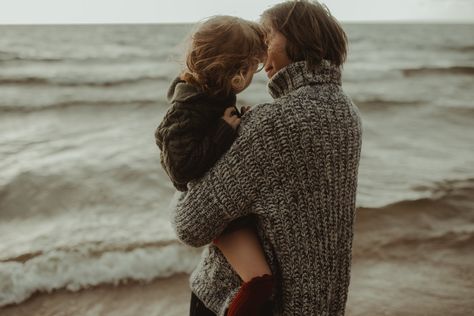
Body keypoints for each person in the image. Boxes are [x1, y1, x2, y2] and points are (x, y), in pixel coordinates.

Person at [171, 1, 363, 315]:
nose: (260, 53)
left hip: (236, 303)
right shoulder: (347, 113)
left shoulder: (273, 123)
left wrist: (183, 190)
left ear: (297, 38)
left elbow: (190, 224)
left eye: (267, 38)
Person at [154, 16, 275, 316]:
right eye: (252, 67)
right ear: (235, 68)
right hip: (217, 213)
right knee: (260, 283)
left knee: (261, 281)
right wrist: (223, 130)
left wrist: (235, 126)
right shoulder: (188, 107)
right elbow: (180, 170)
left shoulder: (212, 95)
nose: (254, 74)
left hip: (225, 204)